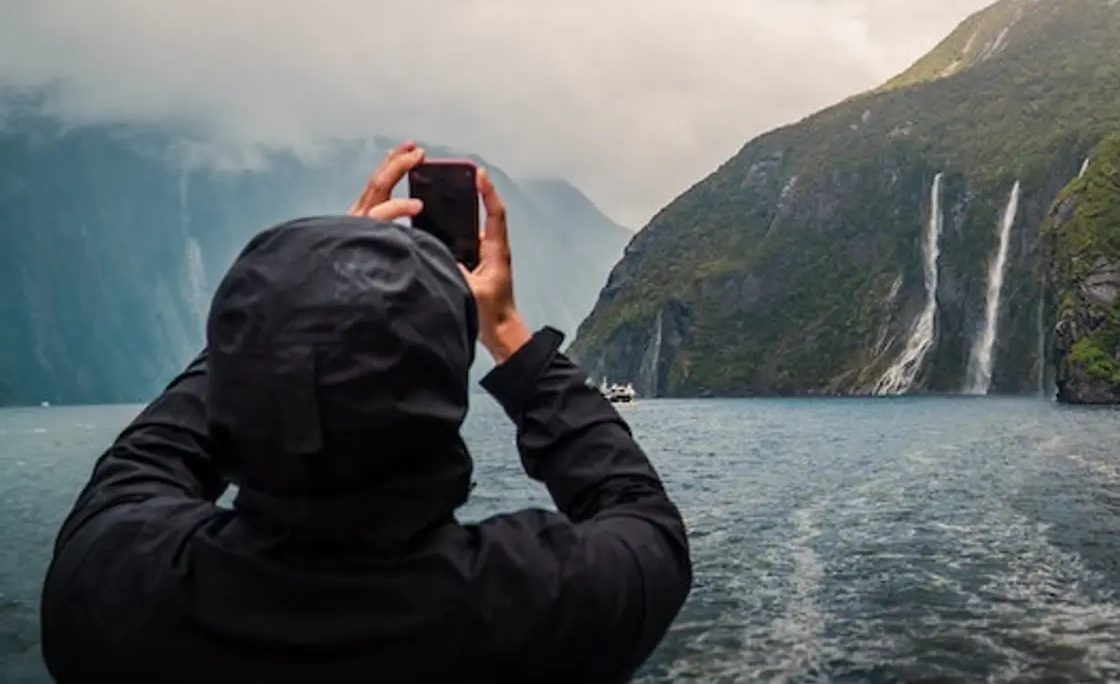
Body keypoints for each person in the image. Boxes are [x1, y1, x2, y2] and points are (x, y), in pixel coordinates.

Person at [38, 141, 691, 683]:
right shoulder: (534, 607)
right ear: (442, 406)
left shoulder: (112, 597)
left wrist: (295, 301)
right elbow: (644, 518)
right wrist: (507, 331)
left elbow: (140, 465)